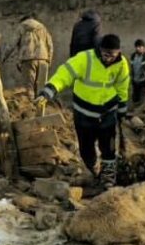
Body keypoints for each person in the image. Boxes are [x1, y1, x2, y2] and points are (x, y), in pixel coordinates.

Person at [36, 34, 130, 189]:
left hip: (107, 113)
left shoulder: (122, 64)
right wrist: (50, 90)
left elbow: (122, 86)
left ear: (118, 52)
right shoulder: (85, 59)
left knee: (109, 148)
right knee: (86, 150)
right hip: (84, 115)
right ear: (100, 50)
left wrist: (122, 109)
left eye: (112, 56)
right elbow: (65, 74)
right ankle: (94, 169)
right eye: (105, 55)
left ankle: (108, 177)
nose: (108, 59)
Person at [14, 14, 53, 95]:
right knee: (41, 88)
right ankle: (41, 107)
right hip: (43, 59)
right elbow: (50, 44)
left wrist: (4, 57)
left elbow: (12, 44)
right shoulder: (43, 27)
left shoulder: (21, 27)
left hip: (28, 59)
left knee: (29, 88)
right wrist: (49, 59)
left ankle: (31, 106)